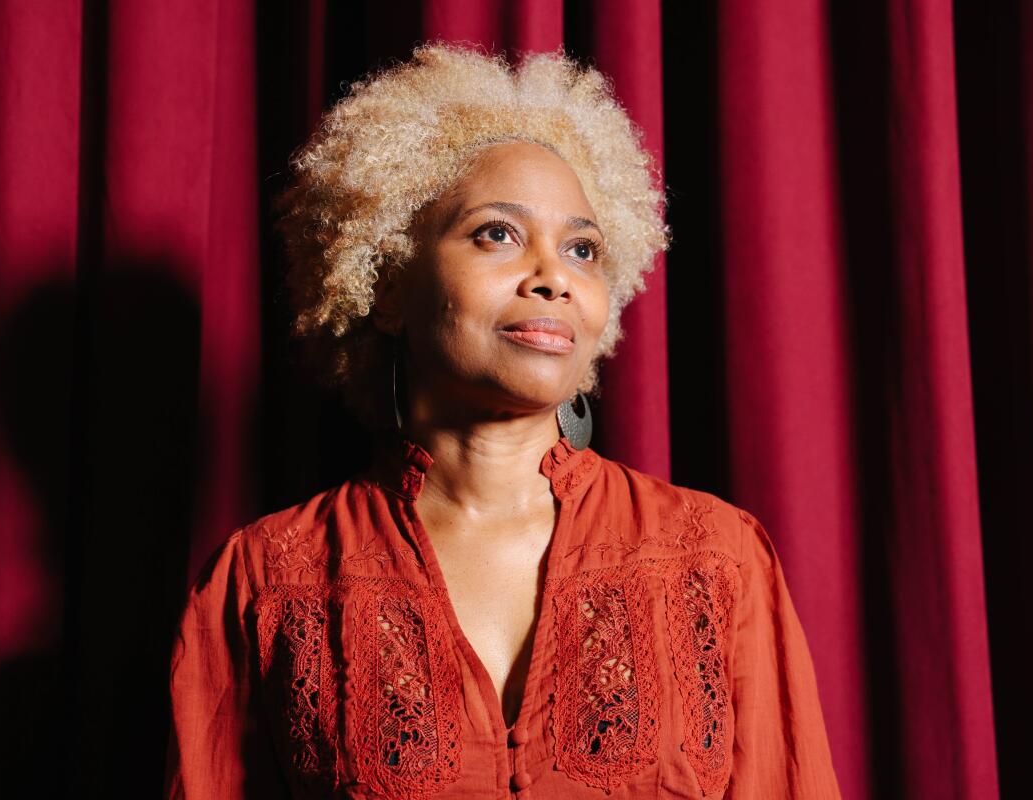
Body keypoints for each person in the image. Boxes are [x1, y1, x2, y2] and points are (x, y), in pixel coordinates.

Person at [163, 42, 842, 799]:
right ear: (386, 284)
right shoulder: (263, 581)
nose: (553, 277)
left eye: (582, 249)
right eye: (498, 233)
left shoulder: (717, 559)